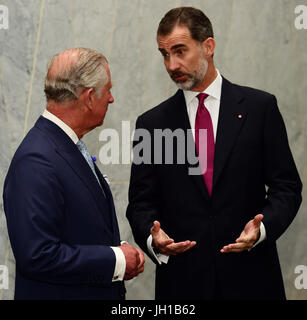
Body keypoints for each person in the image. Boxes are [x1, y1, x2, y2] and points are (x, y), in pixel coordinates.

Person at [126, 7, 302, 300]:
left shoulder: (260, 108)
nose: (172, 64)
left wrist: (261, 230)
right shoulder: (152, 124)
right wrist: (152, 237)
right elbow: (140, 203)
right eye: (165, 54)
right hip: (182, 285)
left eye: (180, 51)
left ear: (208, 46)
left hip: (253, 280)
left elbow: (287, 187)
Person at [3, 48, 145, 300]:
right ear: (90, 98)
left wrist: (116, 250)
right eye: (108, 90)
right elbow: (38, 255)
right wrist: (115, 260)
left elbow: (78, 226)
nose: (111, 99)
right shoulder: (36, 160)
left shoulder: (63, 145)